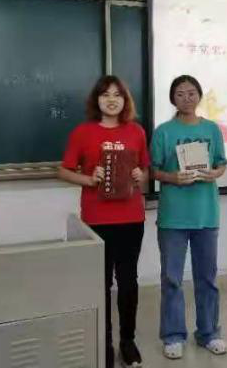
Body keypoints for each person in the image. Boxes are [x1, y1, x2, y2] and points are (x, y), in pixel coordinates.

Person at [59, 75, 149, 368]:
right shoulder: (82, 132)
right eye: (105, 94)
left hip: (131, 218)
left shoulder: (136, 131)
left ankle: (127, 341)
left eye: (117, 95)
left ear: (125, 100)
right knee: (100, 283)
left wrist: (140, 176)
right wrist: (89, 178)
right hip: (97, 220)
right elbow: (63, 171)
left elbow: (145, 171)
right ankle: (104, 343)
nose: (112, 100)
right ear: (96, 100)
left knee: (128, 282)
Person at [150, 75, 227, 360]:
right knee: (172, 279)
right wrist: (173, 177)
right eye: (180, 93)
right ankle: (173, 335)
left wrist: (214, 173)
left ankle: (209, 332)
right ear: (173, 98)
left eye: (191, 92)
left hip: (206, 214)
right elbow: (153, 170)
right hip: (173, 217)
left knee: (207, 277)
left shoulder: (212, 129)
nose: (186, 98)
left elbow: (221, 164)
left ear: (199, 96)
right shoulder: (163, 132)